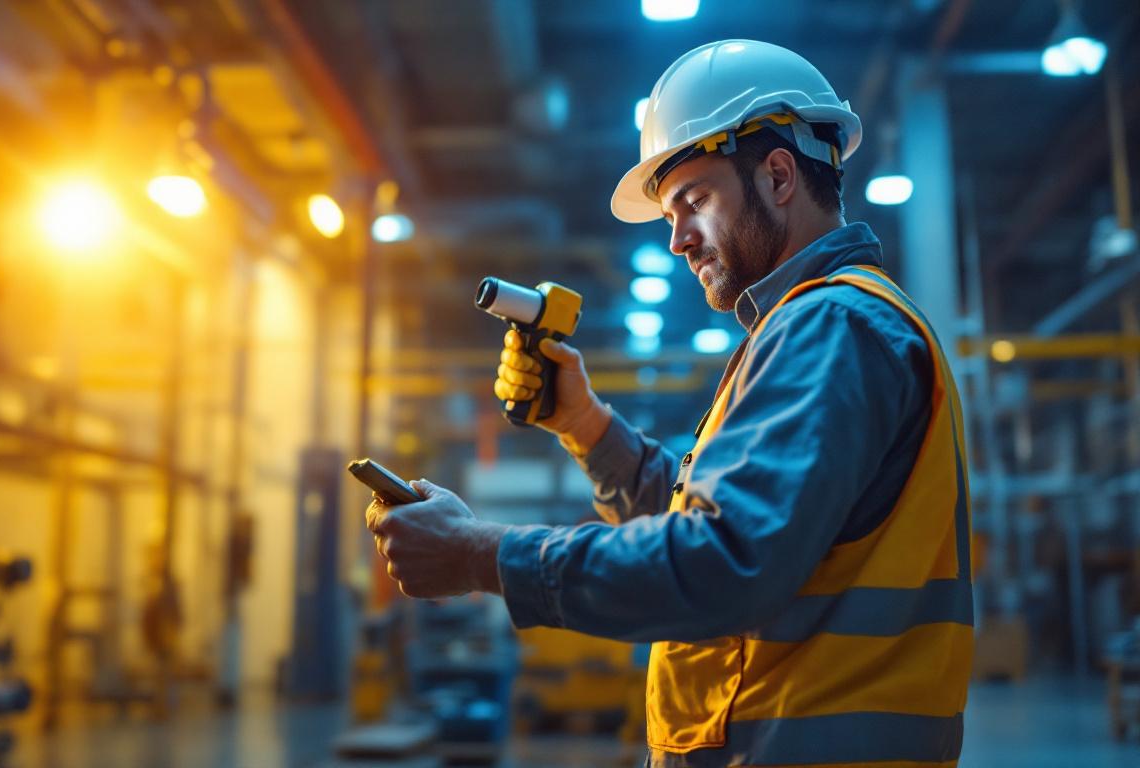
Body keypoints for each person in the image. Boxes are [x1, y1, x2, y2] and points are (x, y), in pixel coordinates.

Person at [365, 39, 973, 767]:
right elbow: (722, 534)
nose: (679, 240)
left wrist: (478, 554)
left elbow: (722, 567)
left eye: (694, 201)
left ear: (779, 176)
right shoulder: (814, 329)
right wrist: (585, 425)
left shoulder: (831, 325)